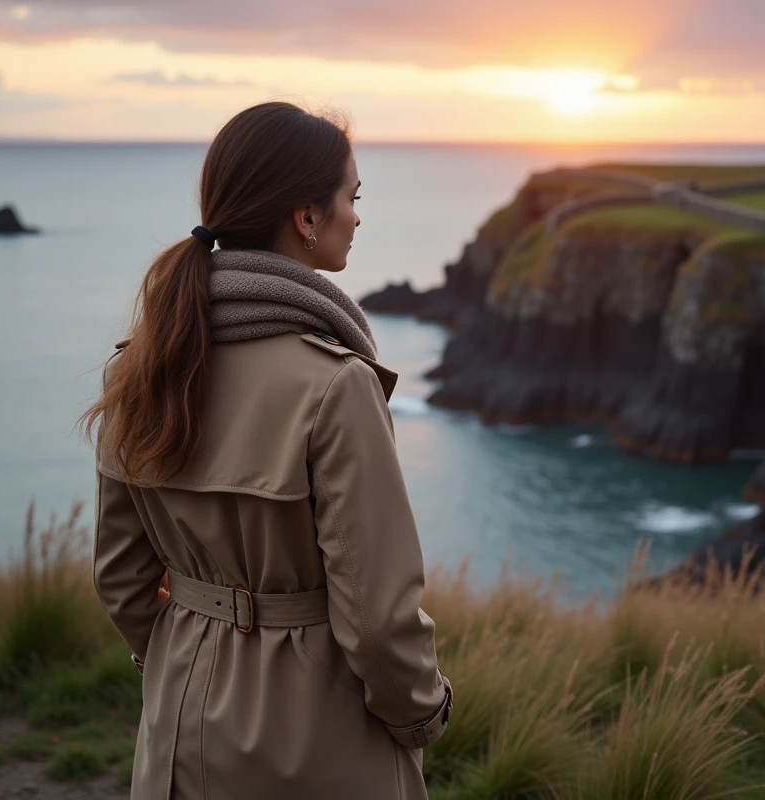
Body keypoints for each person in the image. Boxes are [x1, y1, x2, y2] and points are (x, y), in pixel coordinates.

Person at [78, 101, 452, 799]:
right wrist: (424, 711)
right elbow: (377, 621)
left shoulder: (137, 371)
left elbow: (121, 581)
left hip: (178, 722)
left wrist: (183, 653)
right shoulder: (337, 385)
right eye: (352, 197)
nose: (358, 216)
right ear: (306, 218)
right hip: (320, 735)